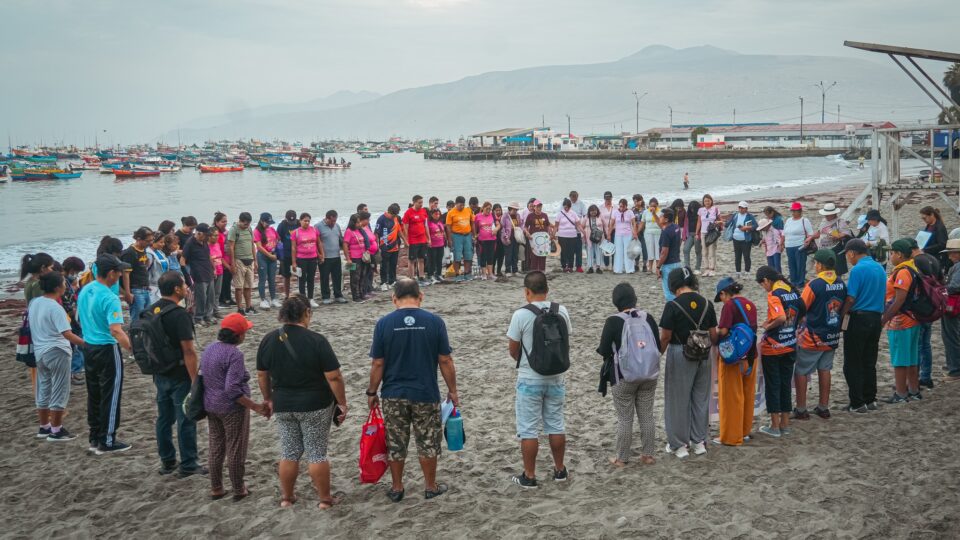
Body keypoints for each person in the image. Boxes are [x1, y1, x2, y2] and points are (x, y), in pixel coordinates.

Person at [366, 278, 459, 502]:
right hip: (425, 392)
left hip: (393, 393)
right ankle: (430, 486)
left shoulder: (384, 323)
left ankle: (397, 487)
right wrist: (453, 390)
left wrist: (371, 392)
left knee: (396, 442)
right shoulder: (435, 322)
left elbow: (378, 363)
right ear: (421, 296)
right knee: (428, 440)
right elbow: (445, 360)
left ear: (394, 298)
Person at [256, 295, 348, 509]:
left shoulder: (268, 339)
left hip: (284, 404)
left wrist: (268, 398)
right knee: (316, 452)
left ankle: (287, 498)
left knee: (289, 451)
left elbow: (262, 374)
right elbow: (334, 376)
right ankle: (325, 499)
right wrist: (342, 403)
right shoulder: (316, 340)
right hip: (314, 404)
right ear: (306, 313)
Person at [507, 271, 571, 487]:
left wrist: (526, 361)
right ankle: (560, 470)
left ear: (527, 292)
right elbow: (566, 340)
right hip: (556, 376)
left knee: (528, 429)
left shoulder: (520, 315)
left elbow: (513, 349)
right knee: (555, 424)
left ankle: (530, 475)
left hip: (529, 377)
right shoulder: (560, 310)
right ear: (547, 290)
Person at [202, 312, 264, 501]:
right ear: (238, 335)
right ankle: (238, 488)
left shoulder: (210, 348)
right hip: (231, 408)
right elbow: (232, 389)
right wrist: (254, 406)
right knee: (236, 447)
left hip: (210, 404)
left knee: (216, 446)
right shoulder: (235, 354)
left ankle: (216, 487)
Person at [596, 282, 660, 466]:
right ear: (634, 298)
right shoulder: (648, 318)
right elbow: (657, 344)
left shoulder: (613, 321)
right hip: (649, 374)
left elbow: (604, 349)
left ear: (615, 301)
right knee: (647, 415)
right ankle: (648, 455)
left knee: (625, 418)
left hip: (624, 376)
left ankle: (622, 458)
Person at [148, 271, 204, 477]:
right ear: (176, 289)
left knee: (164, 418)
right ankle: (189, 463)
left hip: (159, 371)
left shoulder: (150, 310)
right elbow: (189, 351)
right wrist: (194, 380)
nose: (187, 288)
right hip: (179, 372)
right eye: (184, 285)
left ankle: (167, 461)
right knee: (185, 418)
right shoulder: (179, 315)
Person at [77, 254, 133, 454]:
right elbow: (116, 330)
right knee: (111, 393)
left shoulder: (86, 290)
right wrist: (132, 348)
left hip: (89, 346)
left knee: (94, 393)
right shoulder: (110, 297)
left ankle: (95, 436)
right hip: (107, 348)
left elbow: (79, 317)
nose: (120, 275)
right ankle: (107, 440)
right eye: (118, 272)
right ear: (111, 273)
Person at [659, 267, 717, 459]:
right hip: (704, 354)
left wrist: (657, 355)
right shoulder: (707, 304)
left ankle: (679, 445)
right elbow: (713, 335)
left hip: (680, 352)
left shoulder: (672, 305)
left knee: (678, 400)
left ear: (674, 284)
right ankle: (699, 441)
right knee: (700, 398)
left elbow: (665, 337)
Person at [29, 271, 85, 441]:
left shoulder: (35, 302)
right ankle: (56, 430)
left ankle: (44, 426)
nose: (65, 285)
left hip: (40, 351)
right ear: (57, 287)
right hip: (57, 350)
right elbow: (67, 334)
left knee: (44, 389)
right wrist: (86, 344)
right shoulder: (55, 307)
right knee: (60, 389)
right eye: (63, 283)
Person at [793, 249, 846, 420]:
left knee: (801, 370)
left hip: (814, 335)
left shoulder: (814, 285)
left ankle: (801, 409)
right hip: (832, 333)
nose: (815, 266)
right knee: (825, 369)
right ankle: (823, 407)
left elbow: (802, 308)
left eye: (816, 263)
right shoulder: (841, 283)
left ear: (821, 265)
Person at [839, 239, 887, 412]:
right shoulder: (880, 268)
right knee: (869, 360)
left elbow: (851, 298)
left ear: (851, 253)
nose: (847, 258)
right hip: (875, 318)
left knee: (853, 362)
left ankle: (857, 402)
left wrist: (841, 315)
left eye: (847, 255)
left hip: (859, 318)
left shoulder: (858, 270)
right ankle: (870, 399)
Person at [756, 266, 803, 436]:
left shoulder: (774, 295)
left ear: (766, 281)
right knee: (785, 384)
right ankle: (785, 422)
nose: (764, 288)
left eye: (763, 285)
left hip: (774, 346)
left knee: (773, 385)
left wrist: (768, 325)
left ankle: (774, 426)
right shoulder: (792, 291)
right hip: (790, 343)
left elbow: (781, 317)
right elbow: (803, 314)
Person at [714, 276, 759, 446]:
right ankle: (744, 431)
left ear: (725, 293)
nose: (722, 300)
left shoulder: (729, 306)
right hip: (751, 355)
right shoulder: (750, 304)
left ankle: (731, 437)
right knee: (747, 395)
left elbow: (724, 331)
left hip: (734, 358)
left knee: (731, 397)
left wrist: (714, 333)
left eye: (721, 297)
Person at [882, 239, 923, 403]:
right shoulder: (913, 269)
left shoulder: (902, 272)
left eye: (891, 253)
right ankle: (913, 390)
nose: (890, 256)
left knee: (900, 359)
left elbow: (899, 300)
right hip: (913, 319)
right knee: (912, 357)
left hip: (901, 321)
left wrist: (885, 318)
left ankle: (900, 393)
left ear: (899, 254)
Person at [182, 224, 215, 325]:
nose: (206, 237)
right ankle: (199, 317)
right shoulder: (190, 243)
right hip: (198, 274)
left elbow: (208, 255)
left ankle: (208, 315)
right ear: (199, 233)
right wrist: (187, 276)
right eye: (205, 235)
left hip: (208, 271)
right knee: (201, 298)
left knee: (210, 296)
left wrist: (213, 268)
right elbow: (182, 260)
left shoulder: (204, 241)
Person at [121, 226, 154, 322]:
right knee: (137, 318)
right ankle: (135, 336)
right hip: (136, 290)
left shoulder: (143, 249)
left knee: (147, 317)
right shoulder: (130, 253)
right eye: (148, 241)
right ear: (139, 239)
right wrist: (127, 293)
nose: (150, 243)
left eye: (151, 240)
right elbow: (125, 274)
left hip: (145, 288)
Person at [227, 212, 257, 314]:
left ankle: (248, 306)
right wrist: (232, 263)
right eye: (245, 224)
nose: (246, 226)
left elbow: (252, 244)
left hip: (250, 260)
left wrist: (255, 260)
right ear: (240, 221)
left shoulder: (249, 229)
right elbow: (231, 247)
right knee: (239, 287)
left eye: (248, 224)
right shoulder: (234, 230)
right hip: (239, 260)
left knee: (249, 286)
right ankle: (240, 308)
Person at [290, 213, 322, 307]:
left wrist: (321, 254)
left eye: (308, 221)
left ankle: (311, 299)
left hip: (313, 257)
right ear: (300, 221)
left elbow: (318, 243)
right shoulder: (295, 232)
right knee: (302, 279)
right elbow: (293, 248)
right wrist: (294, 262)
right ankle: (303, 300)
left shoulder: (314, 230)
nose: (307, 223)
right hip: (301, 259)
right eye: (305, 221)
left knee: (311, 279)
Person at [316, 210, 348, 304]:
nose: (333, 223)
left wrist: (346, 252)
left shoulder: (337, 226)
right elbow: (316, 242)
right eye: (332, 221)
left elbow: (340, 240)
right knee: (324, 277)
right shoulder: (318, 226)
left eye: (335, 220)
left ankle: (338, 295)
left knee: (337, 276)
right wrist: (320, 255)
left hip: (336, 256)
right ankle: (325, 296)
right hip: (325, 257)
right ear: (327, 218)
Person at [940, 239, 960, 382]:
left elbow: (954, 286)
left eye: (952, 253)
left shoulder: (958, 267)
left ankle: (954, 369)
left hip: (953, 305)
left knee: (950, 335)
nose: (949, 256)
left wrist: (941, 289)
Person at [344, 213, 374, 302]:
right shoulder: (349, 231)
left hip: (363, 257)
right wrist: (348, 258)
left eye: (359, 222)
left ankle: (361, 293)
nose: (359, 224)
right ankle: (355, 295)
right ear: (353, 223)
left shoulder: (360, 231)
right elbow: (345, 245)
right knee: (355, 277)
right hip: (354, 258)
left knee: (362, 275)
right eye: (357, 223)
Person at [253, 212, 281, 310]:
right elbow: (259, 247)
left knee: (272, 279)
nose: (268, 224)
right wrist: (269, 255)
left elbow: (278, 239)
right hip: (263, 257)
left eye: (269, 222)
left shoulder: (272, 229)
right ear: (261, 221)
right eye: (266, 222)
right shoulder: (257, 231)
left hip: (272, 255)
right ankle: (263, 300)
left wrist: (276, 251)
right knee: (263, 278)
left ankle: (273, 298)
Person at [783, 202, 813, 289]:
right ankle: (793, 281)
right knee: (791, 264)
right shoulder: (788, 220)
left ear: (800, 211)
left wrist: (808, 240)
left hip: (800, 245)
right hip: (789, 245)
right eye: (792, 211)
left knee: (800, 264)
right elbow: (784, 233)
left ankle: (800, 282)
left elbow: (810, 234)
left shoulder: (804, 220)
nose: (793, 213)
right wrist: (781, 243)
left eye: (795, 211)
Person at [445, 196, 475, 281]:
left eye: (463, 205)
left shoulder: (468, 210)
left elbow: (472, 223)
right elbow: (448, 227)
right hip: (456, 236)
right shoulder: (451, 213)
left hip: (467, 235)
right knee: (457, 256)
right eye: (460, 205)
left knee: (468, 254)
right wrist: (450, 239)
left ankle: (466, 273)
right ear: (456, 204)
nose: (462, 207)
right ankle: (457, 274)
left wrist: (474, 235)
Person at [375, 203, 404, 290]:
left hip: (395, 246)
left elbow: (399, 231)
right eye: (393, 214)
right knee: (384, 265)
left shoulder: (395, 218)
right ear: (390, 212)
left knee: (393, 264)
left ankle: (392, 280)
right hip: (385, 246)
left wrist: (405, 241)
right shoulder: (381, 219)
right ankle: (383, 282)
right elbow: (376, 233)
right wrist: (377, 246)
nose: (394, 216)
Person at [657, 208, 683, 301]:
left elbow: (664, 252)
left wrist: (658, 266)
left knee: (669, 292)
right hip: (677, 261)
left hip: (668, 264)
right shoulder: (676, 227)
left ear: (666, 219)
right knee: (677, 289)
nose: (659, 217)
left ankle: (674, 310)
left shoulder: (666, 232)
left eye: (661, 216)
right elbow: (680, 241)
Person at [403, 195, 429, 284]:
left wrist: (428, 238)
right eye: (419, 202)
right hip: (413, 240)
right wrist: (406, 241)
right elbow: (405, 227)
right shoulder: (408, 212)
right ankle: (412, 277)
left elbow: (426, 226)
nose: (421, 204)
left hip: (422, 239)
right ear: (414, 202)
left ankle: (421, 276)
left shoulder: (424, 211)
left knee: (421, 259)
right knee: (412, 260)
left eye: (422, 202)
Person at [554, 198, 583, 273]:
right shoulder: (560, 214)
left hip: (572, 235)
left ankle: (570, 266)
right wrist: (552, 235)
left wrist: (583, 233)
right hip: (562, 235)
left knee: (571, 252)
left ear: (570, 206)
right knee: (563, 252)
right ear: (563, 206)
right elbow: (556, 226)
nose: (566, 208)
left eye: (568, 207)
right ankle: (564, 266)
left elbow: (578, 225)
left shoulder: (573, 213)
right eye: (565, 207)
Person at [609, 198, 638, 275]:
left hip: (628, 234)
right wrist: (609, 234)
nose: (621, 208)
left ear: (626, 206)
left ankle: (630, 269)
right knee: (618, 252)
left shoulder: (630, 212)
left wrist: (635, 233)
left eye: (623, 206)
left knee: (628, 251)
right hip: (618, 234)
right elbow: (611, 224)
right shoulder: (615, 212)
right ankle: (618, 269)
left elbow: (634, 223)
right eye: (620, 206)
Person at [727, 202, 757, 277]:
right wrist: (721, 222)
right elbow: (728, 223)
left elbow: (755, 225)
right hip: (735, 239)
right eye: (740, 207)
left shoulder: (749, 216)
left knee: (746, 256)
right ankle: (738, 272)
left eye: (743, 208)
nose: (741, 209)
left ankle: (747, 272)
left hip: (745, 239)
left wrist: (746, 227)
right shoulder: (735, 215)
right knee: (737, 256)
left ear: (746, 209)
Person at [523, 200, 552, 273]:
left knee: (543, 255)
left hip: (544, 239)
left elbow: (548, 225)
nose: (539, 208)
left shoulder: (545, 215)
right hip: (533, 239)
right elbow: (525, 227)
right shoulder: (530, 216)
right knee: (534, 256)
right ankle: (534, 272)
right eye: (537, 206)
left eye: (540, 206)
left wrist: (550, 234)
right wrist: (527, 233)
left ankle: (542, 271)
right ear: (534, 207)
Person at [213, 212, 235, 308]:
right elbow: (218, 251)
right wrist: (227, 265)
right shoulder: (216, 234)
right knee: (221, 282)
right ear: (217, 222)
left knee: (228, 280)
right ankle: (221, 300)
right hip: (220, 261)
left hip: (228, 258)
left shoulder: (225, 232)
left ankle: (228, 297)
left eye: (226, 221)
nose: (225, 223)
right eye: (223, 221)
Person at [696, 194, 721, 277]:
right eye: (705, 200)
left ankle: (712, 269)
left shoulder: (715, 209)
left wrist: (717, 224)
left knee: (712, 251)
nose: (707, 202)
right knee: (704, 251)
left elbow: (720, 220)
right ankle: (706, 269)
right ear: (703, 201)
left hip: (712, 232)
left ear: (711, 201)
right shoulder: (700, 210)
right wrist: (697, 233)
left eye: (708, 200)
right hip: (703, 233)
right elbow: (699, 222)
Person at [276, 210, 299, 299]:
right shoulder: (282, 225)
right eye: (290, 221)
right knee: (286, 276)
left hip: (298, 254)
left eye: (293, 221)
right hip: (286, 254)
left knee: (299, 274)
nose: (292, 223)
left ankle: (301, 292)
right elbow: (278, 238)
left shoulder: (298, 224)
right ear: (286, 218)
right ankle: (287, 295)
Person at [475, 201, 500, 280]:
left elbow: (499, 224)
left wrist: (496, 229)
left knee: (491, 256)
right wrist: (475, 235)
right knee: (483, 256)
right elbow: (475, 228)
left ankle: (490, 273)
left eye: (490, 209)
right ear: (483, 208)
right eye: (487, 209)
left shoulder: (492, 215)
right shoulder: (478, 216)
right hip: (482, 240)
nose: (488, 211)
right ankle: (483, 274)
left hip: (492, 239)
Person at [146, 231, 171, 304]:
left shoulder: (160, 253)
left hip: (161, 286)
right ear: (153, 242)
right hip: (152, 287)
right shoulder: (148, 254)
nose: (163, 244)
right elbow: (145, 271)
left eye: (163, 242)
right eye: (161, 242)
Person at [582, 204, 605, 274]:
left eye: (594, 211)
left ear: (597, 211)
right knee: (590, 252)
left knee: (599, 251)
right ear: (589, 211)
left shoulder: (600, 216)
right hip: (589, 237)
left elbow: (605, 226)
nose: (593, 212)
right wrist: (583, 236)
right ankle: (590, 267)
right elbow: (582, 226)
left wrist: (607, 234)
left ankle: (598, 267)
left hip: (598, 237)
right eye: (591, 211)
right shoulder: (586, 218)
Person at [640, 197, 661, 273]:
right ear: (648, 205)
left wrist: (654, 213)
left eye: (654, 206)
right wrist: (637, 232)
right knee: (650, 250)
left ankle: (658, 268)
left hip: (658, 233)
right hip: (648, 233)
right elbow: (642, 223)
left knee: (658, 250)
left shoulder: (661, 212)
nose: (652, 207)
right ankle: (650, 268)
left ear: (657, 205)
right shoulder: (645, 212)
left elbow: (661, 223)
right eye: (651, 206)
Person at [427, 208, 447, 282]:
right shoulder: (429, 223)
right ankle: (430, 274)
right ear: (431, 215)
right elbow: (427, 233)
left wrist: (445, 240)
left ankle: (438, 274)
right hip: (432, 245)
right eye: (435, 214)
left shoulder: (440, 222)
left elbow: (443, 232)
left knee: (439, 260)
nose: (437, 215)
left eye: (438, 214)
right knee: (432, 260)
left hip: (440, 244)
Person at [569, 191, 587, 272]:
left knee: (579, 250)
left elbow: (585, 215)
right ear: (570, 197)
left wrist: (582, 226)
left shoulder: (581, 204)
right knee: (570, 250)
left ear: (577, 196)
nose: (574, 198)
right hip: (569, 230)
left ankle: (578, 266)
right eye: (572, 197)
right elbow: (561, 213)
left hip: (578, 230)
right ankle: (570, 266)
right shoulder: (567, 203)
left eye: (575, 197)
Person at [684, 200, 703, 272]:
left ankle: (697, 268)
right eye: (690, 208)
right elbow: (686, 224)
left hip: (697, 234)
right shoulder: (688, 214)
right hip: (690, 234)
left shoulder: (699, 214)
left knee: (698, 251)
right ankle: (687, 267)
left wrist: (698, 233)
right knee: (685, 249)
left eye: (693, 208)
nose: (692, 209)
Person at [599, 191, 616, 271]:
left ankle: (613, 265)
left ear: (611, 198)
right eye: (606, 199)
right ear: (604, 198)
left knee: (614, 247)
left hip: (614, 229)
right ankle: (606, 265)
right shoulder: (600, 208)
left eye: (609, 199)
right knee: (605, 247)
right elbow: (599, 219)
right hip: (604, 230)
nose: (608, 200)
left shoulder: (615, 207)